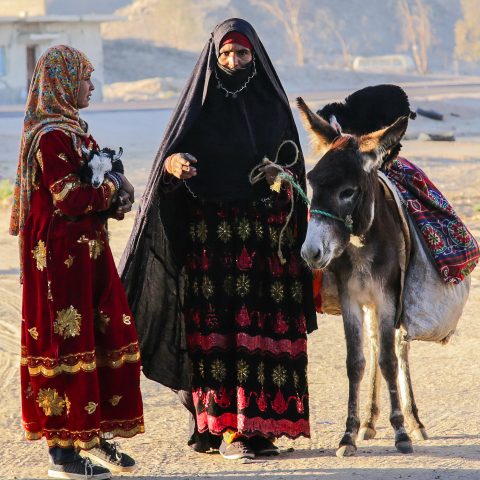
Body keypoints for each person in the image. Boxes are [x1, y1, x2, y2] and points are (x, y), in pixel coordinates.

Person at [120, 18, 316, 460]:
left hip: (267, 247)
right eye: (225, 54)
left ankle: (262, 428)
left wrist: (280, 176)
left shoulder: (273, 107)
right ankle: (228, 428)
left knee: (263, 331)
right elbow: (167, 171)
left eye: (242, 54)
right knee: (219, 335)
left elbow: (296, 176)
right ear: (213, 57)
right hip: (212, 244)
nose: (233, 61)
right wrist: (174, 167)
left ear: (255, 57)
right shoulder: (200, 107)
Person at [10, 45, 144, 479]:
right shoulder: (50, 136)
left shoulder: (76, 132)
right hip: (59, 263)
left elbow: (96, 188)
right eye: (85, 78)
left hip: (86, 254)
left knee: (102, 332)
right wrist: (110, 191)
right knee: (66, 344)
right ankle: (63, 454)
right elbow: (68, 197)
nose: (92, 85)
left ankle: (92, 433)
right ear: (65, 83)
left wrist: (116, 193)